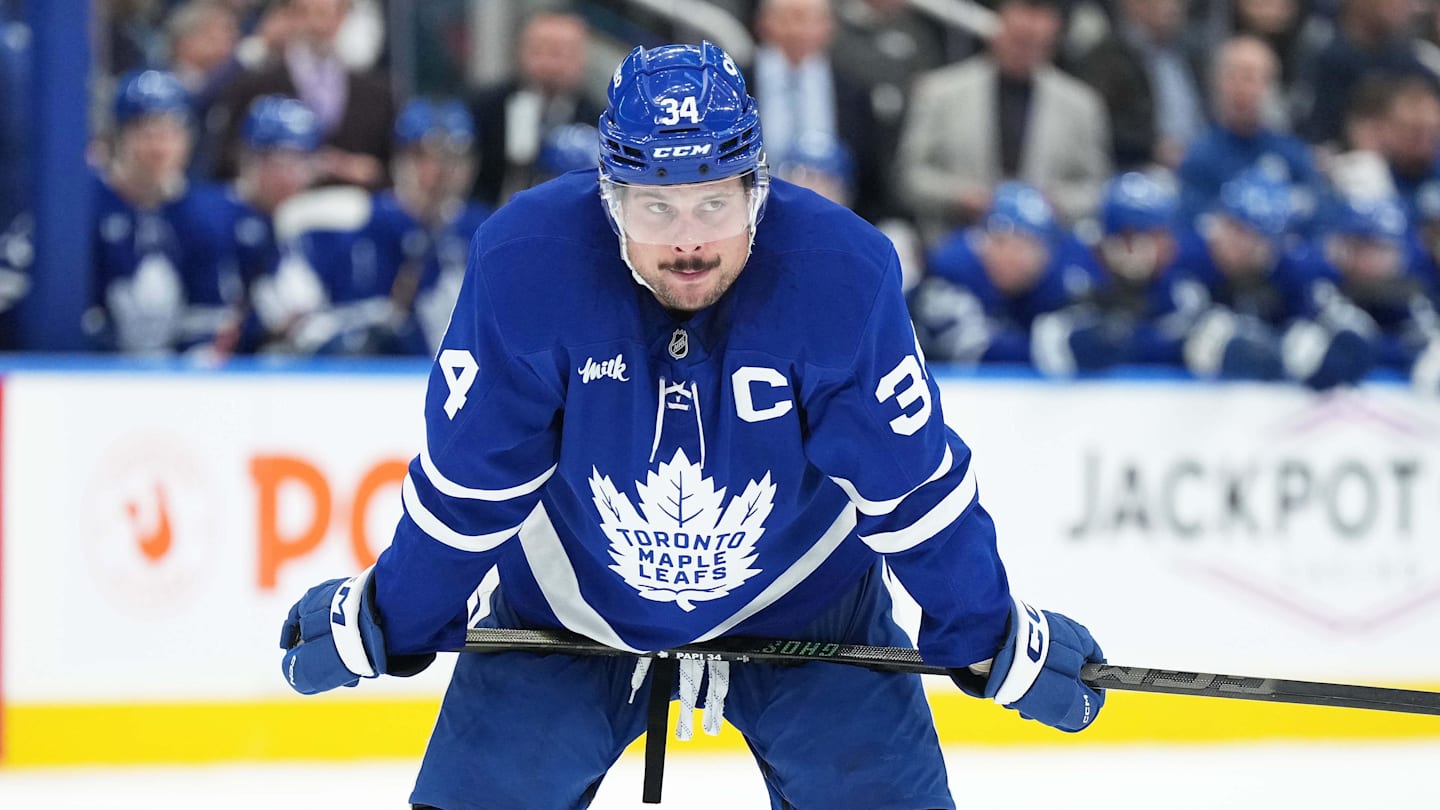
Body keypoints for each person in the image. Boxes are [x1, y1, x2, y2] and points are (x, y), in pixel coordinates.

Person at [278, 42, 1105, 810]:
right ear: (610, 197)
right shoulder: (525, 261)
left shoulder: (840, 273)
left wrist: (989, 630)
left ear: (757, 187)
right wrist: (389, 613)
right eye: (656, 208)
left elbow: (913, 494)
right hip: (568, 607)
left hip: (807, 604)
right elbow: (468, 493)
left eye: (714, 201)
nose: (688, 242)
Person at [909, 181, 1106, 374]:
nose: (1010, 256)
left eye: (1026, 245)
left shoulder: (1064, 274)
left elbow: (1099, 333)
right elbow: (969, 351)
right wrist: (1054, 348)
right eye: (1000, 241)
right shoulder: (953, 270)